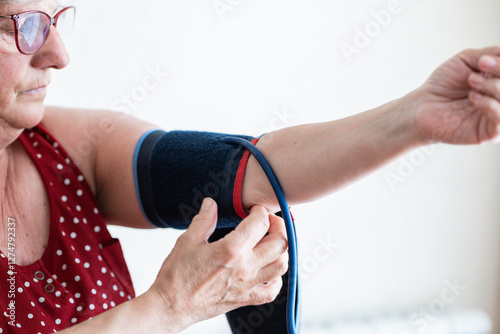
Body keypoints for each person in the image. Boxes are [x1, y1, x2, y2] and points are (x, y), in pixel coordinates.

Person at [0, 0, 499, 333]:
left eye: (55, 20)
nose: (59, 55)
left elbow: (245, 172)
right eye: (24, 26)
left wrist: (415, 117)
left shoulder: (64, 145)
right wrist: (170, 305)